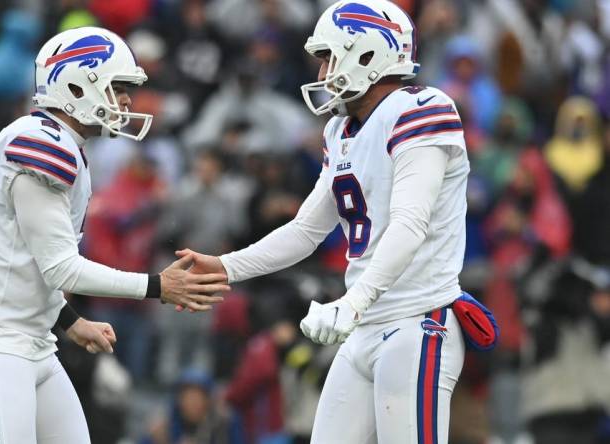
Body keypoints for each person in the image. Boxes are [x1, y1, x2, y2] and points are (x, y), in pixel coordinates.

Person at [177, 1, 497, 442]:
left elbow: (409, 223)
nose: (323, 69)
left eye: (329, 55)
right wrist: (228, 265)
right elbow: (307, 230)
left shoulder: (421, 109)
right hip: (364, 328)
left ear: (367, 54)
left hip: (417, 322)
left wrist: (353, 301)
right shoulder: (340, 130)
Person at [0, 27, 229, 444]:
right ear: (76, 85)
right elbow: (62, 268)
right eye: (118, 87)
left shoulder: (64, 144)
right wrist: (158, 286)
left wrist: (68, 321)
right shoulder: (38, 144)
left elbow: (31, 263)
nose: (127, 100)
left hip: (33, 342)